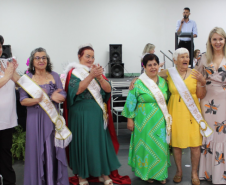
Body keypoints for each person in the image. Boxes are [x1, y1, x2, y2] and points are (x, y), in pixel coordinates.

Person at [63, 44, 130, 185]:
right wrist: (91, 76)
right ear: (79, 57)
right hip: (80, 113)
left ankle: (103, 173)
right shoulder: (74, 72)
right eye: (87, 56)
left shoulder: (96, 72)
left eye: (92, 56)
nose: (90, 59)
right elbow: (76, 91)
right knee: (83, 143)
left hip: (96, 113)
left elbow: (108, 89)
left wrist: (99, 78)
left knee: (99, 144)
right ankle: (82, 175)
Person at [158, 48, 212, 185]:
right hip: (175, 112)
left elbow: (200, 95)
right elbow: (151, 75)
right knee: (176, 144)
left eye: (187, 57)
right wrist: (136, 78)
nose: (185, 59)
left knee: (195, 144)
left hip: (192, 114)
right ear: (175, 60)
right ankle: (179, 171)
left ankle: (194, 173)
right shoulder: (169, 73)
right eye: (182, 57)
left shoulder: (195, 74)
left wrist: (202, 82)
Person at [19, 47, 70, 185]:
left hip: (52, 119)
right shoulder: (27, 78)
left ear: (47, 60)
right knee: (36, 151)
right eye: (38, 58)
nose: (41, 60)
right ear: (32, 61)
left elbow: (63, 94)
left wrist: (58, 96)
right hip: (34, 119)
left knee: (53, 149)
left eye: (44, 58)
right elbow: (23, 100)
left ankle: (53, 181)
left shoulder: (54, 75)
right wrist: (37, 100)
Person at [122, 54, 171, 184]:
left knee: (160, 146)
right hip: (143, 121)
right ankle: (146, 173)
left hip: (160, 120)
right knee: (145, 146)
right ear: (144, 66)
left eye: (155, 64)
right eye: (149, 65)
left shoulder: (164, 82)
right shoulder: (138, 83)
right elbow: (131, 102)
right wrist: (129, 119)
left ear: (158, 65)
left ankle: (160, 174)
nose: (153, 67)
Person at [196, 27, 226, 184]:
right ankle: (208, 173)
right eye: (214, 39)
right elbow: (193, 77)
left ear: (224, 40)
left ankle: (222, 175)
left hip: (225, 100)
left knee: (223, 135)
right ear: (210, 41)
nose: (218, 42)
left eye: (220, 39)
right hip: (207, 101)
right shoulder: (204, 58)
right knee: (209, 134)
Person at [0, 35, 17, 185]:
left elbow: (18, 84)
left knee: (5, 154)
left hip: (6, 120)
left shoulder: (5, 64)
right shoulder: (5, 71)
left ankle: (9, 182)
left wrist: (14, 72)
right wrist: (7, 76)